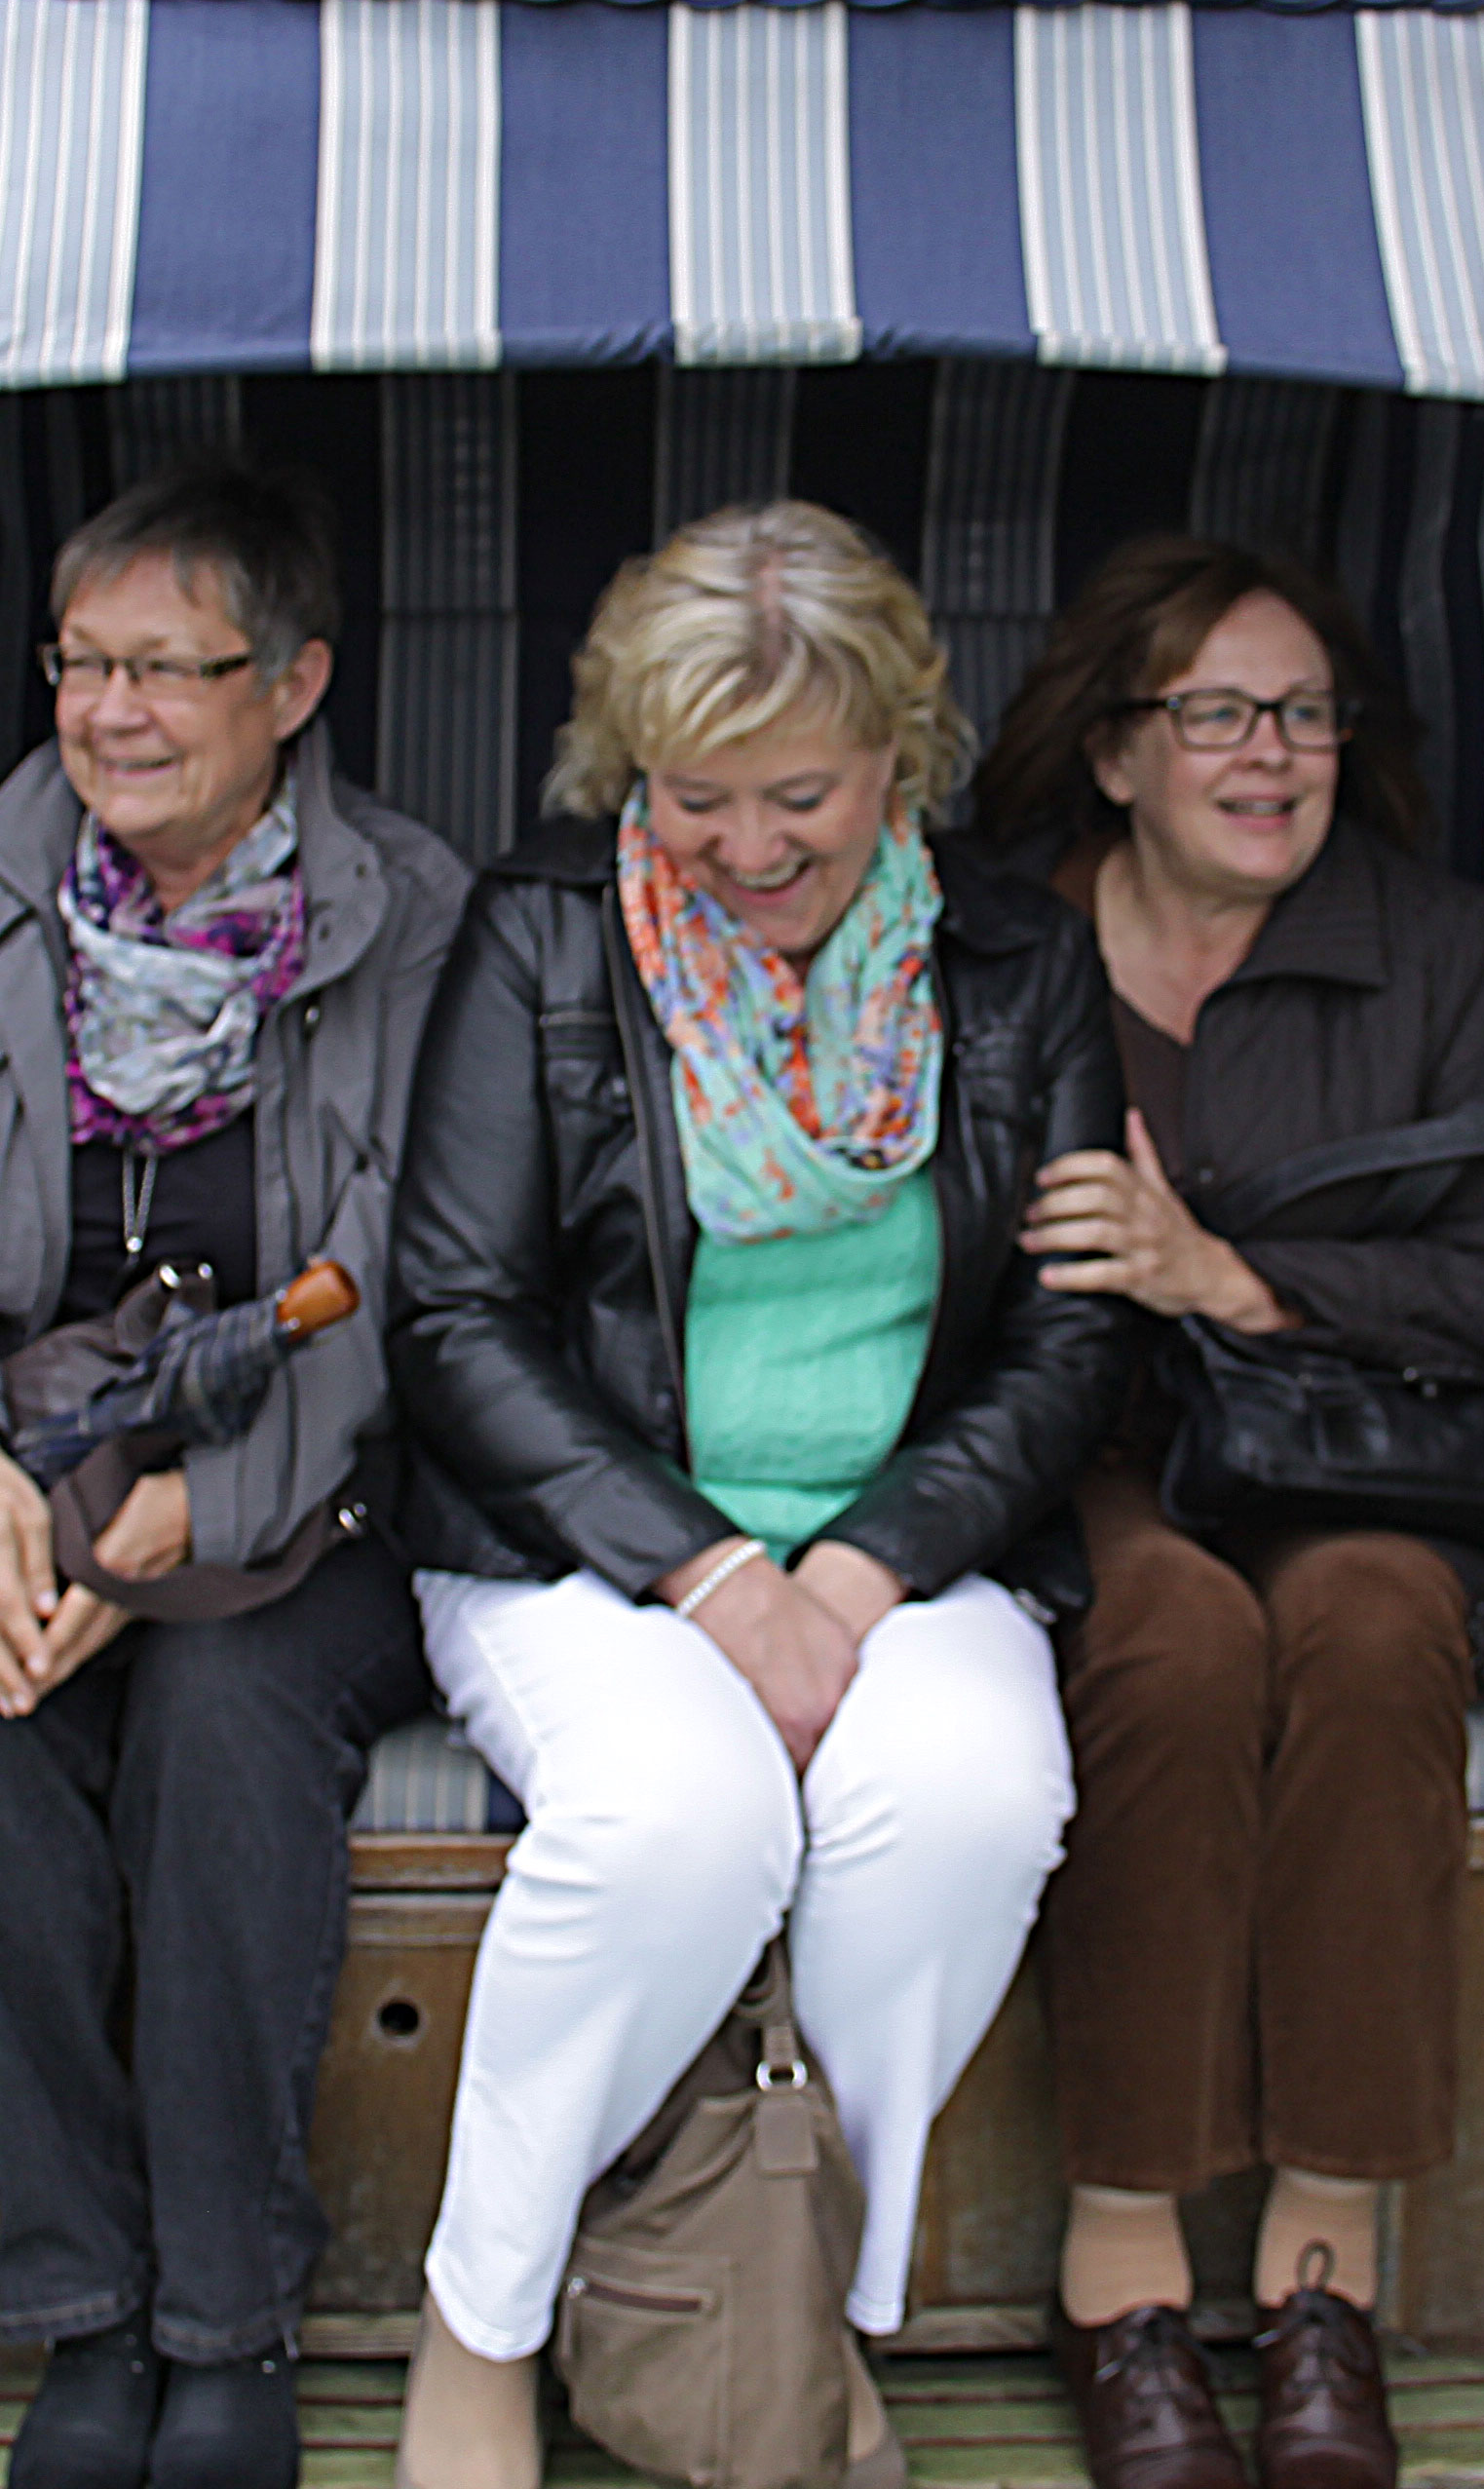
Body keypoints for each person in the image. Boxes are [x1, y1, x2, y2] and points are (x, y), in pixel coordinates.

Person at [384, 500, 1137, 2489]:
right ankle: (483, 2320)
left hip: (912, 1540)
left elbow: (1067, 1342)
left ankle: (809, 2299)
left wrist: (867, 1568)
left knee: (968, 1808)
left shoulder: (1020, 960)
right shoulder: (542, 934)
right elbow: (455, 1320)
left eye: (797, 796)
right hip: (581, 1544)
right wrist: (713, 1574)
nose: (744, 846)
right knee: (678, 1821)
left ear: (901, 755)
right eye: (694, 795)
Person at [0, 459, 463, 2489]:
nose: (112, 714)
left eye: (170, 669)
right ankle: (85, 2302)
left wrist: (203, 1520)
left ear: (294, 685)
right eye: (83, 664)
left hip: (307, 1497)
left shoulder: (409, 913)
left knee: (225, 1712)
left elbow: (417, 1267)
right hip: (39, 1457)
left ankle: (226, 2315)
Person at [970, 537, 1484, 2489]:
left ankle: (1328, 2267)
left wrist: (1228, 1278)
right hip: (1083, 1464)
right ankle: (1125, 2266)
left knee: (1377, 1628)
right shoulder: (994, 938)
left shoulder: (1431, 946)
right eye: (1220, 713)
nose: (1272, 754)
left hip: (1360, 1452)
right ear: (1116, 753)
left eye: (1305, 715)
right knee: (1172, 1641)